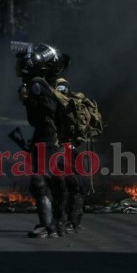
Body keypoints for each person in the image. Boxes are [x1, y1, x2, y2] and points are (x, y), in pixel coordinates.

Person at [15, 43, 69, 238]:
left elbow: (49, 109)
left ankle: (49, 225)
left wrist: (27, 99)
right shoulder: (36, 83)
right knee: (53, 181)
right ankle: (55, 224)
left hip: (48, 140)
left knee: (40, 181)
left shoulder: (37, 84)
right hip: (45, 138)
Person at [50, 77, 85, 235]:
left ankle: (65, 221)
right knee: (73, 187)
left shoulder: (58, 104)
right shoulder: (74, 103)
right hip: (69, 150)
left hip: (64, 151)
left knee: (66, 187)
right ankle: (71, 222)